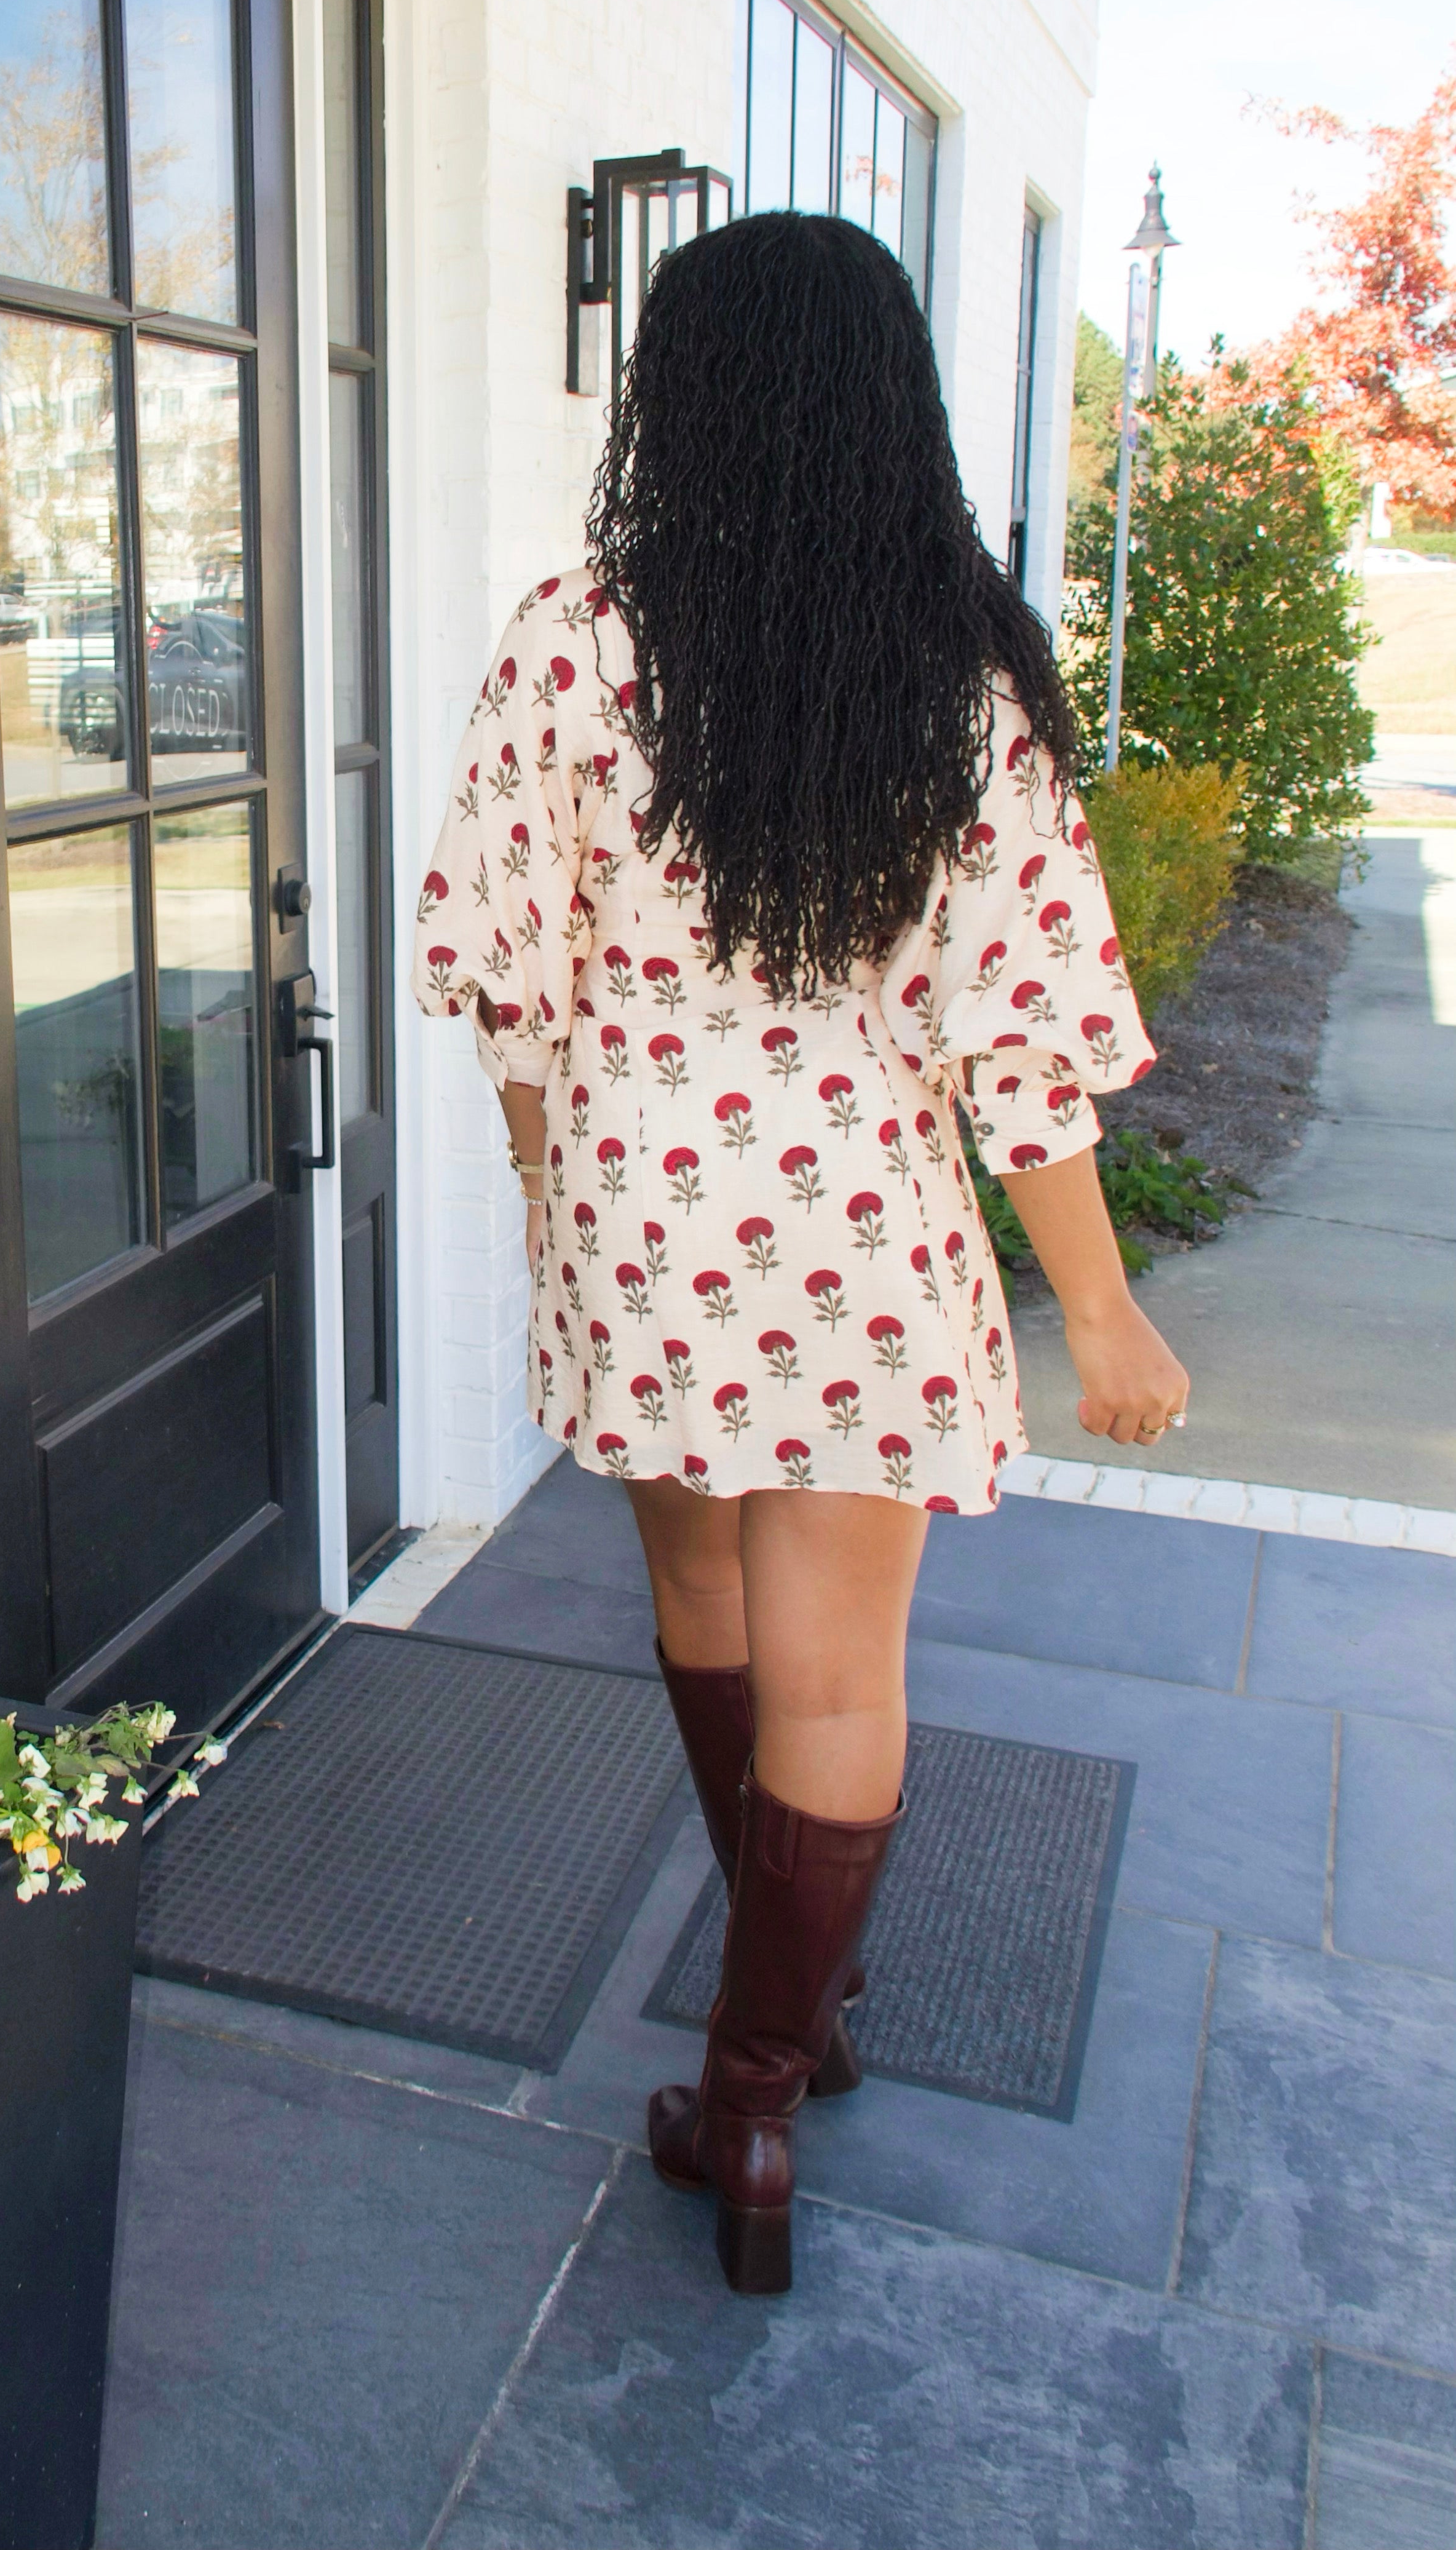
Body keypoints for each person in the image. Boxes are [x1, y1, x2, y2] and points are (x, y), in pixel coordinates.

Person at [411, 212, 1189, 2297]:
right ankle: (764, 2082)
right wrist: (1098, 1306)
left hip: (641, 1224)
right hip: (859, 1231)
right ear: (886, 400)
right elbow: (1019, 1040)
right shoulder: (958, 669)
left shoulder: (572, 635)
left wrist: (546, 1194)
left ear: (682, 396)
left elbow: (509, 984)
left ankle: (775, 1998)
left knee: (694, 1588)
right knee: (841, 1667)